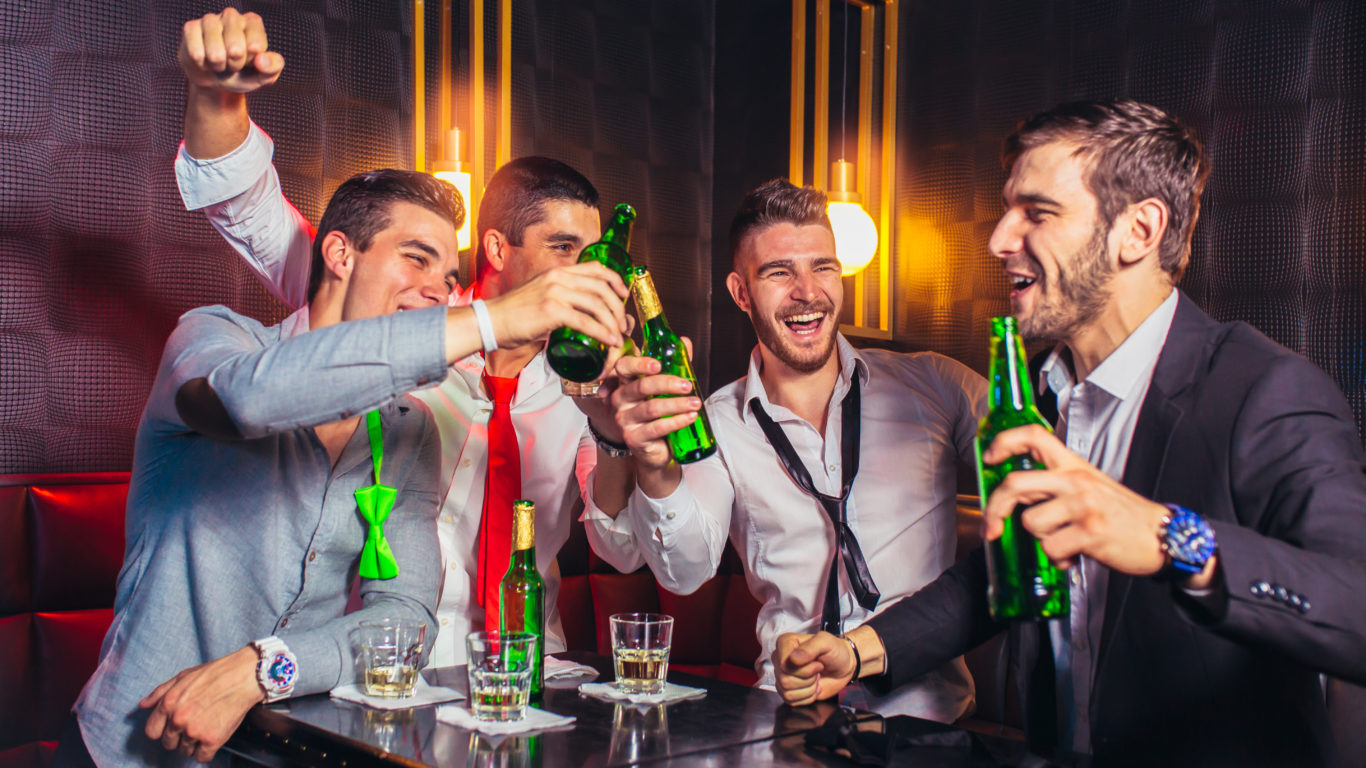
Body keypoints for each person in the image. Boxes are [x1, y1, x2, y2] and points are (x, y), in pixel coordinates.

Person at [772, 98, 1366, 765]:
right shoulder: (1039, 391)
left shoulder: (1265, 392)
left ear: (1138, 230)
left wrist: (1168, 537)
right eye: (1007, 210)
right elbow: (1004, 572)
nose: (999, 239)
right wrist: (858, 651)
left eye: (1038, 212)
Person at [59, 151, 627, 765]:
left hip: (276, 749)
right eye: (417, 258)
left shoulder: (408, 430)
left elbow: (407, 619)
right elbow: (249, 400)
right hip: (127, 748)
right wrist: (492, 319)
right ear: (339, 254)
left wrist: (262, 669)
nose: (438, 287)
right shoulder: (213, 339)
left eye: (447, 272)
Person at [168, 9, 639, 668]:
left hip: (529, 669)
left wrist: (620, 435)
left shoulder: (581, 376)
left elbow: (622, 550)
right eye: (565, 249)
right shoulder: (393, 314)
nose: (588, 272)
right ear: (500, 250)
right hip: (377, 671)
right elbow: (250, 210)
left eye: (597, 257)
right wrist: (217, 98)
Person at [584, 178, 988, 721]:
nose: (808, 291)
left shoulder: (937, 387)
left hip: (929, 727)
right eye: (779, 272)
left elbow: (1045, 481)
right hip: (786, 720)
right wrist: (653, 465)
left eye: (823, 267)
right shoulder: (716, 423)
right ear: (740, 292)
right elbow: (685, 572)